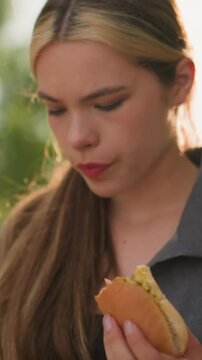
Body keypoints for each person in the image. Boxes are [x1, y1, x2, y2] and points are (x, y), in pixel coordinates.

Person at [0, 0, 202, 359]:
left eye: (107, 104)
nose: (77, 137)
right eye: (55, 109)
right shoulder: (22, 239)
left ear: (180, 83)